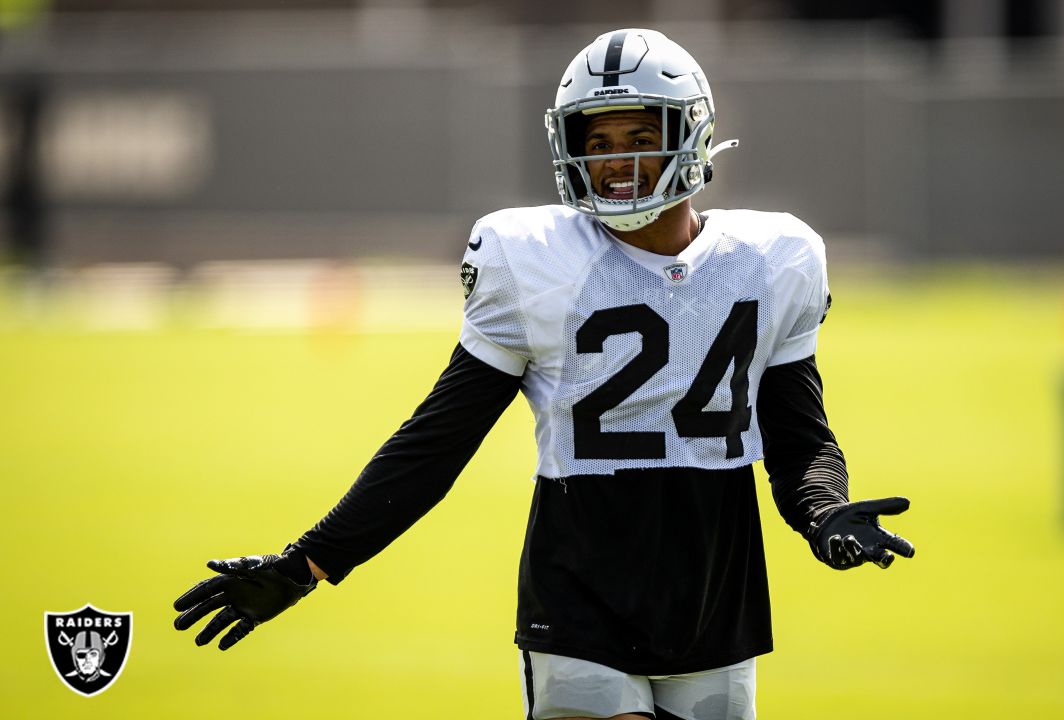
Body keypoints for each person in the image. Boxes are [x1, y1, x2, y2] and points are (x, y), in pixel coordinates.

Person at [173, 28, 916, 720]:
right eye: (597, 139)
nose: (615, 159)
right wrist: (311, 563)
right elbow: (437, 443)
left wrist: (823, 512)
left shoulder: (772, 259)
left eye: (638, 136)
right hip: (581, 594)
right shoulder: (532, 259)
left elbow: (797, 437)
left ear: (689, 135)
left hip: (717, 596)